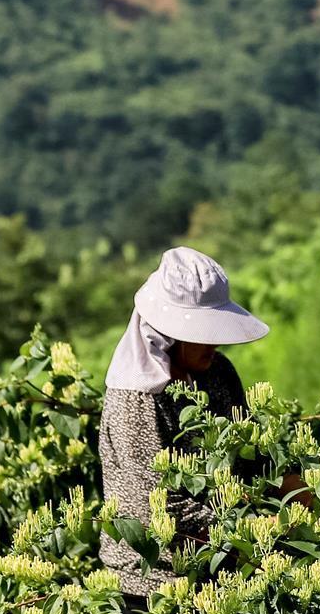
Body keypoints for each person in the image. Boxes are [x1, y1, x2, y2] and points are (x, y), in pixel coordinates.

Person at [98, 247, 269, 596]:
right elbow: (155, 505)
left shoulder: (217, 373)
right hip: (151, 583)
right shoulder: (137, 396)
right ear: (167, 333)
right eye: (200, 333)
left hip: (220, 567)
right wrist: (253, 530)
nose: (211, 344)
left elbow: (248, 455)